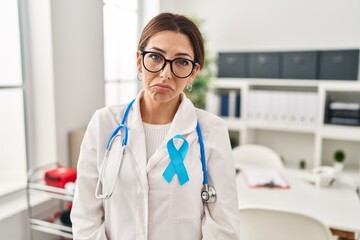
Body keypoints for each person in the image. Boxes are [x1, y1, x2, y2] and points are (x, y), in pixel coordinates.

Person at [71, 12, 240, 240]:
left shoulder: (211, 131)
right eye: (155, 57)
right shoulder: (104, 124)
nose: (165, 73)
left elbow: (223, 225)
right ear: (139, 61)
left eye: (181, 62)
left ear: (194, 72)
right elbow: (85, 216)